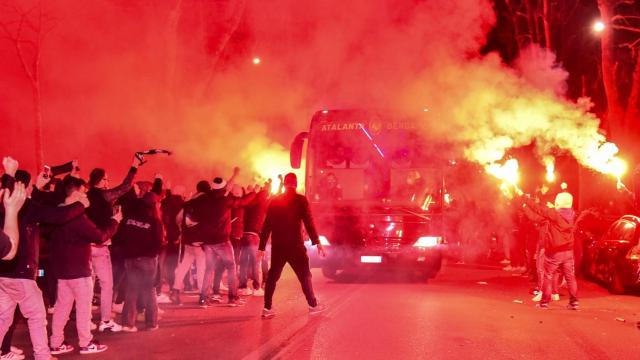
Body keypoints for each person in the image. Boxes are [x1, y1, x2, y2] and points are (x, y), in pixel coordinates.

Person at [0, 162, 86, 360]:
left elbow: (47, 202)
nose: (32, 189)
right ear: (22, 187)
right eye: (30, 186)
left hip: (4, 275)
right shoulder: (27, 206)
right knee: (37, 316)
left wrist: (37, 185)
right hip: (22, 275)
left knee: (3, 317)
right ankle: (43, 356)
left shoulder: (5, 203)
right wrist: (81, 204)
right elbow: (58, 214)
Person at [48, 177, 121, 355]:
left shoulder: (57, 213)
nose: (86, 194)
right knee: (83, 307)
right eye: (83, 191)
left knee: (62, 307)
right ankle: (86, 343)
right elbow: (99, 237)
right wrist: (115, 221)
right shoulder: (76, 216)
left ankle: (56, 343)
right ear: (76, 193)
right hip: (79, 271)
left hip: (63, 270)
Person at [258, 173, 326, 319]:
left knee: (272, 277)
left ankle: (267, 307)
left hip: (278, 246)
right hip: (295, 246)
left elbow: (267, 225)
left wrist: (261, 247)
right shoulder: (300, 200)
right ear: (295, 184)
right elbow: (309, 222)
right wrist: (317, 242)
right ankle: (313, 305)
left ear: (285, 184)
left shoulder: (275, 201)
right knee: (305, 276)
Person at [86, 156, 142, 332]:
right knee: (107, 284)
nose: (107, 182)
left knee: (87, 285)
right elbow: (125, 187)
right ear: (100, 181)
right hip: (101, 245)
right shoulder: (104, 196)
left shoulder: (84, 197)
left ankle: (86, 319)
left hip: (85, 246)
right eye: (106, 179)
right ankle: (105, 320)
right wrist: (134, 166)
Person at [198, 170, 255, 307]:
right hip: (222, 240)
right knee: (231, 267)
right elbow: (243, 201)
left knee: (209, 269)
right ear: (223, 189)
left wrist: (234, 176)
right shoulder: (226, 200)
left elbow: (225, 187)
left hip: (207, 241)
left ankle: (203, 299)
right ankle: (233, 297)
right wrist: (254, 192)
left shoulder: (205, 198)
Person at [521, 192, 578, 310]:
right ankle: (574, 303)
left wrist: (525, 199)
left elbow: (539, 209)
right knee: (570, 277)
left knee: (548, 275)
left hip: (555, 251)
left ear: (558, 202)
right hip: (568, 251)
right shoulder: (572, 214)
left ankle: (544, 303)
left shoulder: (555, 214)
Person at [119, 192, 164, 332]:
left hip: (130, 258)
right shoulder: (155, 221)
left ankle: (128, 324)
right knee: (149, 290)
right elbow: (159, 243)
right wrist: (151, 254)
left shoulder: (129, 218)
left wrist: (128, 252)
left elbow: (121, 236)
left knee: (131, 289)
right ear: (155, 205)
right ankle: (151, 323)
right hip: (147, 259)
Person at [169, 182, 209, 305]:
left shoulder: (189, 202)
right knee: (202, 267)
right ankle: (203, 296)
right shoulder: (207, 202)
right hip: (201, 241)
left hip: (188, 240)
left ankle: (175, 291)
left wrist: (182, 229)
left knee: (184, 265)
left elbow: (178, 218)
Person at [238, 184, 269, 296]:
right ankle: (257, 288)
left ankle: (242, 287)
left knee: (243, 263)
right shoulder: (263, 204)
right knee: (256, 263)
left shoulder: (249, 204)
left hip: (244, 235)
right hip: (254, 236)